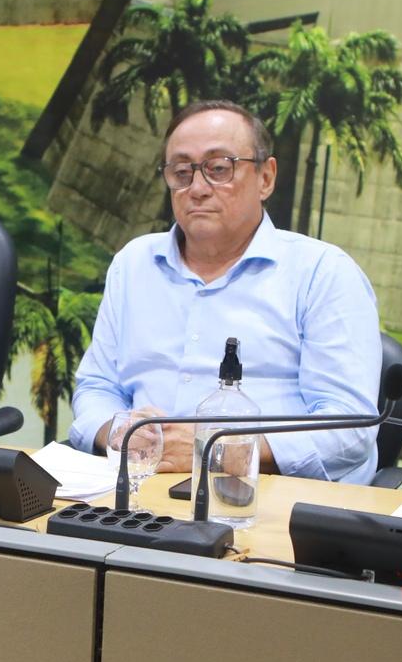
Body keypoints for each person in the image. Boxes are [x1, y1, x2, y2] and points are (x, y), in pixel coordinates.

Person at [68, 99, 382, 484]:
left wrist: (218, 450)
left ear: (265, 178)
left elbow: (350, 427)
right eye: (181, 172)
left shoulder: (323, 274)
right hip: (138, 489)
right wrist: (119, 432)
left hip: (266, 498)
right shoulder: (133, 265)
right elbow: (96, 388)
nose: (197, 188)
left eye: (219, 169)